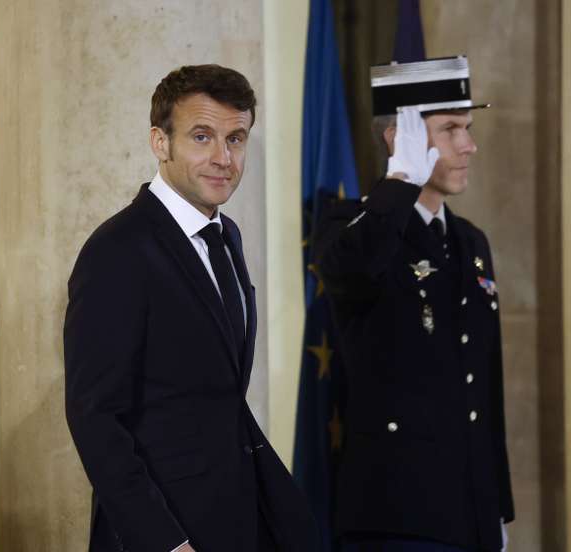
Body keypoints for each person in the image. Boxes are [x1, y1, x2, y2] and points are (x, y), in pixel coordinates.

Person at [64, 64, 317, 552]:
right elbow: (93, 415)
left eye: (236, 139)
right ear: (160, 142)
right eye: (202, 137)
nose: (224, 157)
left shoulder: (228, 237)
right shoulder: (118, 249)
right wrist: (164, 542)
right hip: (165, 533)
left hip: (236, 516)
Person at [311, 58, 515, 552]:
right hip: (398, 515)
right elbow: (353, 267)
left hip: (472, 513)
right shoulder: (349, 225)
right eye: (449, 129)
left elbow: (483, 383)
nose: (469, 145)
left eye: (467, 128)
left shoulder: (470, 241)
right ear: (396, 137)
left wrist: (497, 508)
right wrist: (400, 180)